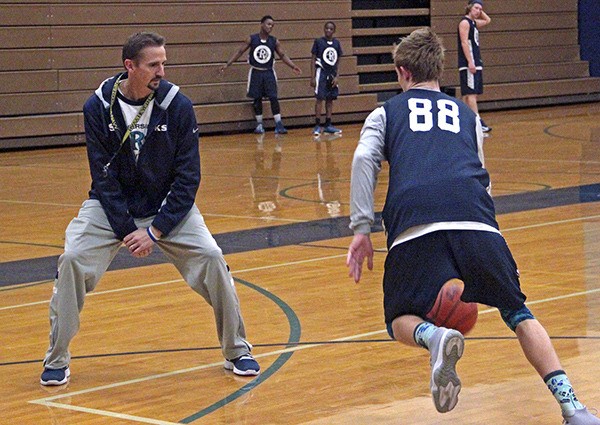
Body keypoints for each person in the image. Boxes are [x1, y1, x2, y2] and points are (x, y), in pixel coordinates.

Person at [346, 27, 600, 424]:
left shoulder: (386, 112)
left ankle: (434, 338)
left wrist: (361, 228)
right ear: (439, 70)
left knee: (398, 319)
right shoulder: (468, 115)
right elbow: (483, 174)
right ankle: (573, 407)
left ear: (402, 72)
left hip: (417, 220)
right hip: (477, 218)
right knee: (518, 312)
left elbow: (364, 160)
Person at [40, 32, 260, 386]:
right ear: (130, 67)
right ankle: (56, 359)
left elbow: (188, 178)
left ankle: (238, 349)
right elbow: (103, 176)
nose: (162, 71)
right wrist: (128, 230)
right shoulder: (96, 108)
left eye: (164, 63)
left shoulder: (179, 107)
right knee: (72, 259)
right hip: (111, 208)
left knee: (212, 256)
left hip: (165, 206)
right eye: (153, 65)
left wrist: (155, 230)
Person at [221, 15, 302, 135]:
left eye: (272, 25)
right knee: (257, 98)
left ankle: (278, 124)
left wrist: (293, 66)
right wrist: (228, 64)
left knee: (273, 97)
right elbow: (240, 51)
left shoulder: (274, 41)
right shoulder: (252, 39)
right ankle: (259, 124)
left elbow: (283, 55)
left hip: (268, 72)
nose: (270, 27)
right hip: (256, 72)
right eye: (269, 24)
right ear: (262, 24)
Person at [458, 0, 492, 132]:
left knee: (470, 94)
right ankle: (478, 122)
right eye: (476, 8)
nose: (478, 11)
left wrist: (479, 10)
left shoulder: (474, 23)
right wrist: (470, 62)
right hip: (469, 63)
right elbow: (464, 43)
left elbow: (488, 20)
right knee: (470, 94)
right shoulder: (465, 23)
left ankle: (464, 119)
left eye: (480, 9)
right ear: (469, 8)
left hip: (476, 62)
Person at [310, 21, 343, 136]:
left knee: (330, 99)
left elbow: (338, 61)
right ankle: (317, 125)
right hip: (322, 73)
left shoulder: (337, 43)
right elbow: (313, 59)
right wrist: (313, 77)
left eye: (331, 29)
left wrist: (337, 76)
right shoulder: (318, 42)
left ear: (334, 31)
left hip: (332, 74)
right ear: (324, 29)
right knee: (320, 99)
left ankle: (328, 124)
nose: (328, 30)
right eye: (327, 28)